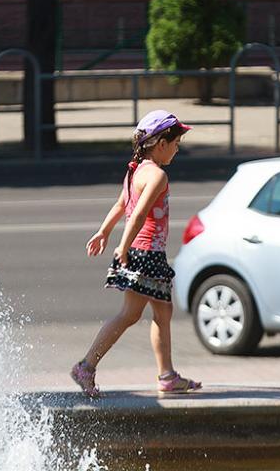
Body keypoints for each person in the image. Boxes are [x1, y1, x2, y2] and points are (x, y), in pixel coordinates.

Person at [70, 110, 201, 397]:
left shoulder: (135, 170)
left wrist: (104, 232)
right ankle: (86, 366)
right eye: (176, 144)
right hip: (145, 252)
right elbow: (138, 214)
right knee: (130, 315)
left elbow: (121, 205)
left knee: (162, 312)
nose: (177, 150)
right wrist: (123, 245)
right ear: (161, 144)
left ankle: (166, 375)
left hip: (142, 251)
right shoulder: (157, 176)